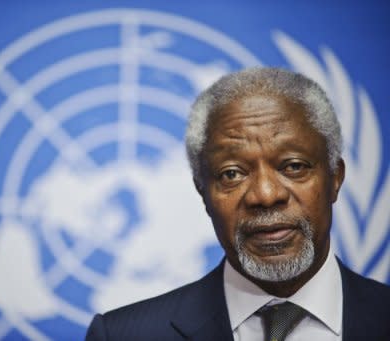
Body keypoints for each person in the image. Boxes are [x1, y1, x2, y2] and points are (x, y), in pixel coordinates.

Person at [85, 67, 390, 340]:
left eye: (293, 166)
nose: (266, 195)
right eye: (232, 173)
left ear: (335, 178)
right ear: (203, 192)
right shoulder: (124, 335)